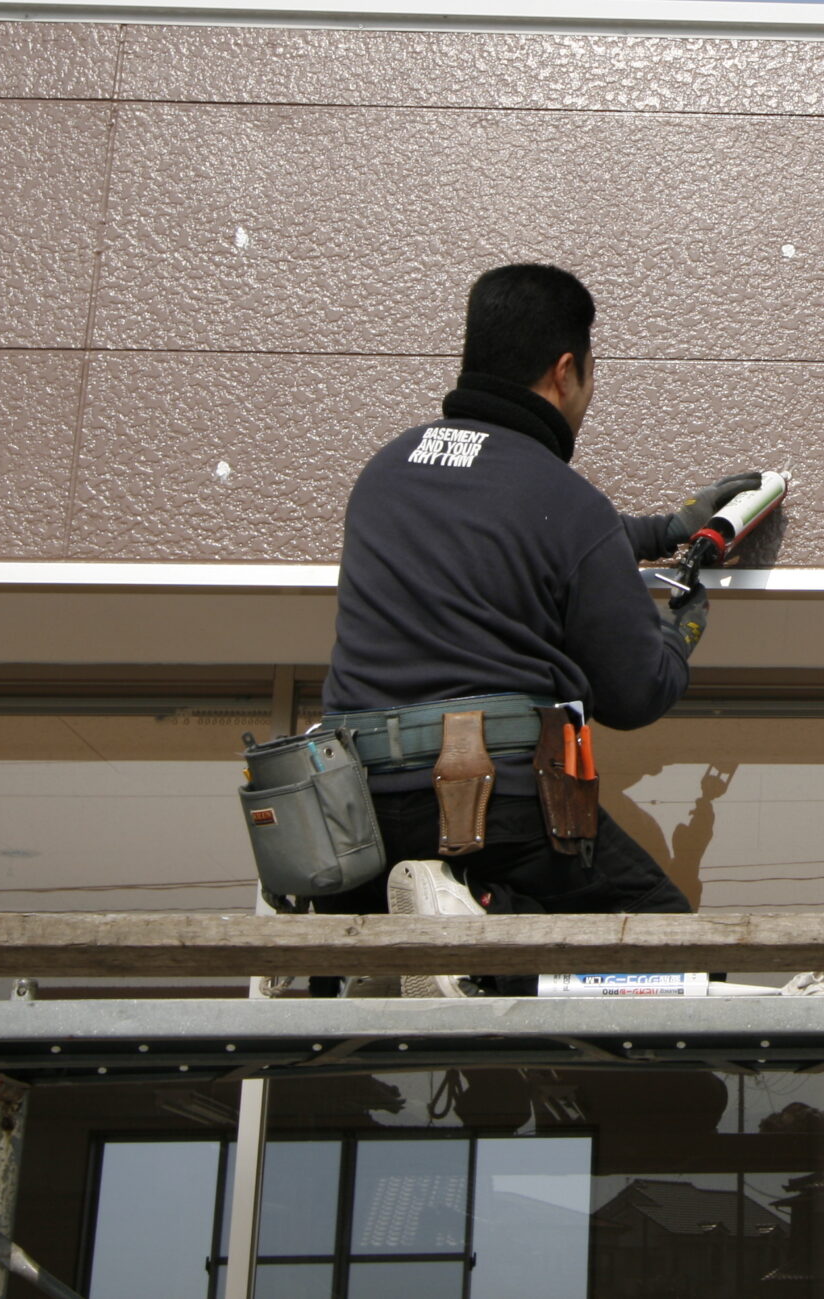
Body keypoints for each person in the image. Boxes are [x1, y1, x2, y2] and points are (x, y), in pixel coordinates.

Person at [310, 262, 760, 981]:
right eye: (589, 373)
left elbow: (507, 521)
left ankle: (411, 930)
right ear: (563, 370)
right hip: (496, 811)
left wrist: (666, 527)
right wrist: (685, 628)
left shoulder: (387, 472)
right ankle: (481, 926)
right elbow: (635, 691)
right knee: (677, 962)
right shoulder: (564, 500)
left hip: (356, 815)